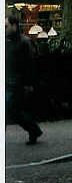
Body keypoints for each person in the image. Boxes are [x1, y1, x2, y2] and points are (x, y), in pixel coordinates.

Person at [6, 15, 43, 144]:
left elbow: (30, 64)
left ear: (14, 26)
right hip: (9, 81)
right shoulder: (7, 41)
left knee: (12, 110)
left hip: (18, 83)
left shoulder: (24, 42)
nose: (4, 29)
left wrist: (29, 83)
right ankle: (34, 130)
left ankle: (34, 129)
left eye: (6, 26)